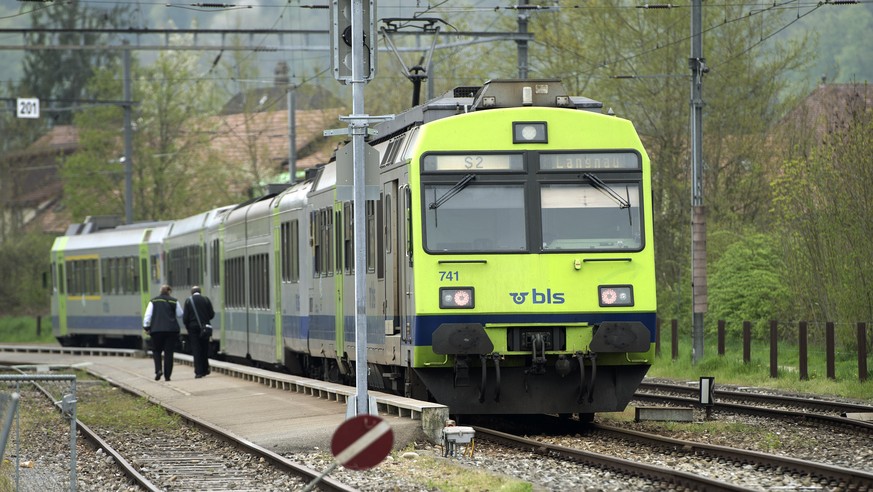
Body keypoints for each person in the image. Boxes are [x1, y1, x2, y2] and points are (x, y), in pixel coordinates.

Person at [143, 284, 183, 381]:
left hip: (156, 330)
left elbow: (148, 315)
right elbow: (180, 314)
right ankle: (167, 375)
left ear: (160, 291)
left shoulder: (153, 301)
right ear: (169, 291)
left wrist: (146, 327)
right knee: (169, 352)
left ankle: (158, 370)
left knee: (156, 351)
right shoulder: (174, 301)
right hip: (171, 330)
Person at [182, 285, 215, 378]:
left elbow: (185, 318)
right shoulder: (206, 300)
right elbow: (211, 314)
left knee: (196, 349)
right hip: (204, 327)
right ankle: (205, 369)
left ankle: (198, 372)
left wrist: (188, 326)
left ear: (192, 292)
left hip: (193, 329)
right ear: (200, 292)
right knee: (204, 348)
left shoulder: (188, 301)